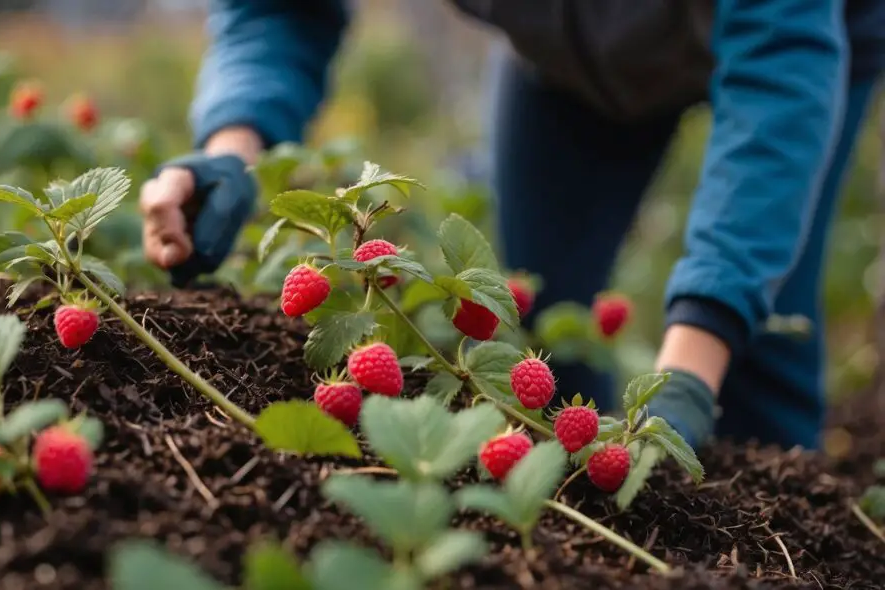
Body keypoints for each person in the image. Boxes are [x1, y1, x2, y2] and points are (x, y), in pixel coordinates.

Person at [138, 0, 885, 451]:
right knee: (539, 319)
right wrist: (230, 152)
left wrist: (692, 366)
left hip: (802, 42)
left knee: (756, 335)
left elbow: (780, 78)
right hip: (561, 61)